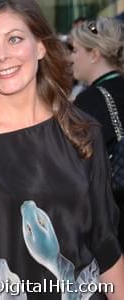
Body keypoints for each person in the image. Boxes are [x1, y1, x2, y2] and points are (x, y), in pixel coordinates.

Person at [0, 0, 124, 299]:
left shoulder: (82, 131)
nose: (2, 56)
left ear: (41, 46)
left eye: (14, 39)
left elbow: (106, 247)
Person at [71, 16, 124, 249]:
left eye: (75, 50)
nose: (71, 58)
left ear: (94, 55)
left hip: (111, 219)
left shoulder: (89, 101)